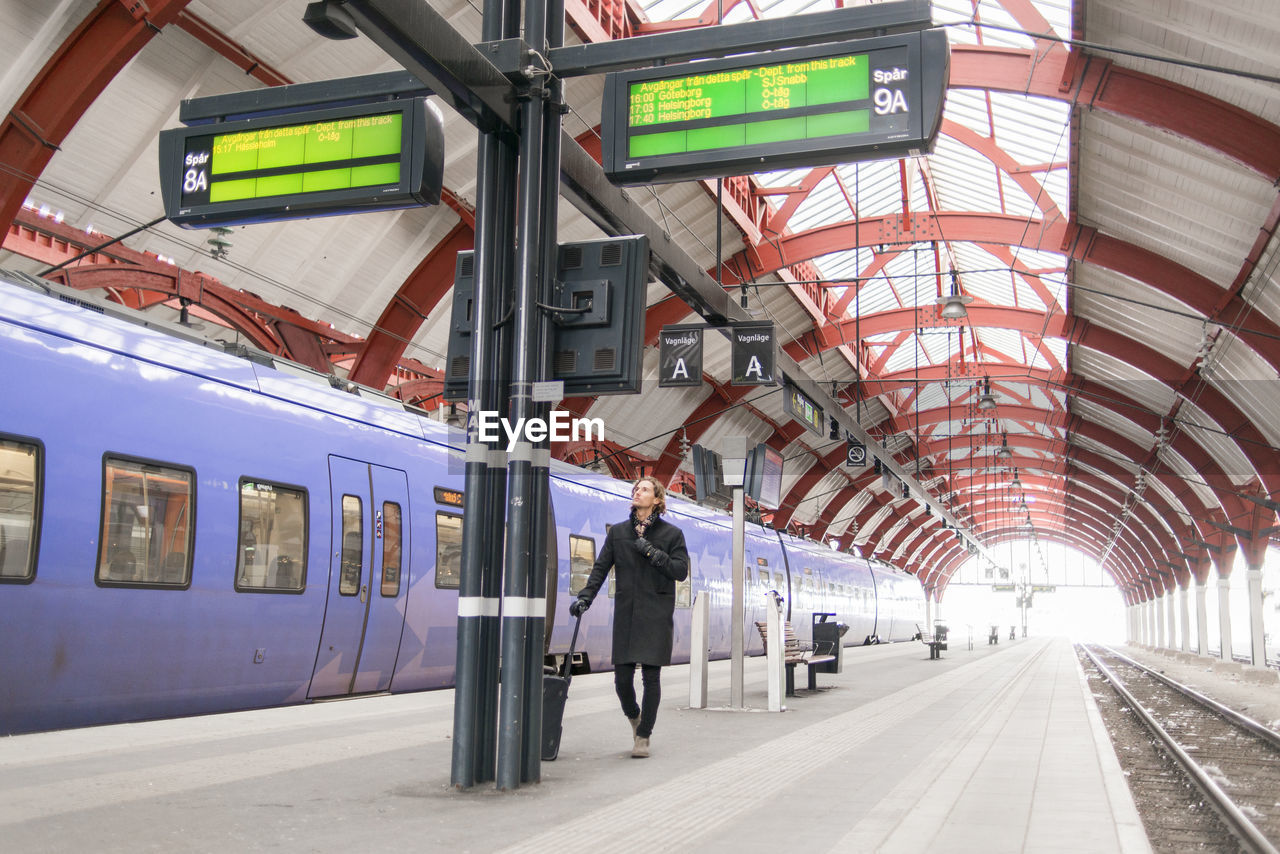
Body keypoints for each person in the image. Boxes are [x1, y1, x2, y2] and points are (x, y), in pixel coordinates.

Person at [570, 476, 689, 758]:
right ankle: (635, 717)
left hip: (656, 614)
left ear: (658, 500)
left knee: (651, 677)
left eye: (644, 489)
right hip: (627, 613)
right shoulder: (619, 533)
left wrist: (652, 552)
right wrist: (585, 597)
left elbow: (680, 571)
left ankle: (644, 735)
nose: (638, 492)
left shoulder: (672, 535)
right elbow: (600, 568)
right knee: (622, 680)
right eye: (636, 489)